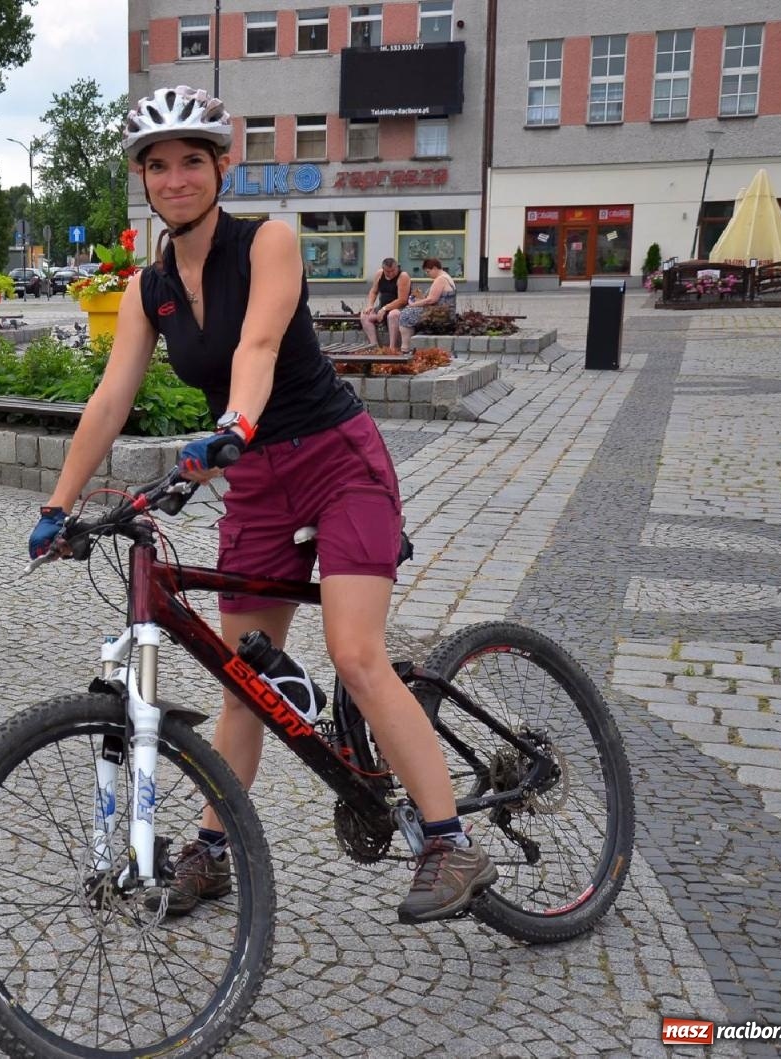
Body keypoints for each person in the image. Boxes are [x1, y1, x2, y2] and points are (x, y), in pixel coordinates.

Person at [27, 85, 496, 925]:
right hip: (255, 481)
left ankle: (449, 839)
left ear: (221, 167)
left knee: (356, 651)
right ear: (143, 178)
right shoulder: (148, 288)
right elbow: (110, 397)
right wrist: (59, 506)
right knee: (242, 674)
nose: (175, 178)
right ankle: (212, 850)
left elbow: (261, 342)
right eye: (158, 165)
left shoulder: (267, 243)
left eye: (191, 162)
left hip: (337, 461)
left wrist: (234, 423)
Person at [396, 257, 457, 353]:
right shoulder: (447, 277)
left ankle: (405, 348)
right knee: (409, 312)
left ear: (435, 268)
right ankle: (409, 346)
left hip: (439, 315)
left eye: (428, 271)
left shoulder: (440, 279)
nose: (427, 274)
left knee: (406, 314)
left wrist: (414, 304)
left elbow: (431, 300)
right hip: (444, 313)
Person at [360, 257, 411, 350]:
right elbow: (373, 291)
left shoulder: (403, 276)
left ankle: (392, 348)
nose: (391, 274)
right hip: (382, 307)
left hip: (399, 308)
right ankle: (374, 346)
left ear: (397, 267)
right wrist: (370, 305)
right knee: (365, 315)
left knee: (393, 315)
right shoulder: (379, 274)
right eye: (387, 271)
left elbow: (402, 300)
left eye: (393, 271)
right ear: (383, 269)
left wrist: (385, 308)